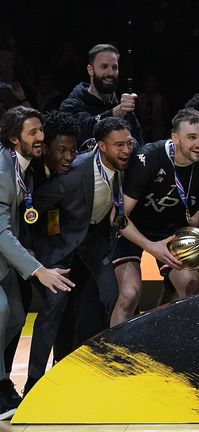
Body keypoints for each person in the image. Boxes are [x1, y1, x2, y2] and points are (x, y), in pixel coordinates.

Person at [24, 117, 133, 395]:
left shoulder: (128, 162)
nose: (126, 150)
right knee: (56, 303)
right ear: (101, 147)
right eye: (119, 145)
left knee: (110, 295)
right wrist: (32, 246)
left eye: (128, 144)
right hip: (60, 246)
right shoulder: (73, 175)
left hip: (95, 244)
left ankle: (97, 369)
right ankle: (34, 383)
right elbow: (31, 208)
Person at [110, 108, 199, 325]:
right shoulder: (147, 158)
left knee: (189, 285)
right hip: (133, 229)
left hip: (171, 231)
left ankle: (159, 338)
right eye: (192, 137)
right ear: (175, 138)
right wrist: (152, 246)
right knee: (129, 294)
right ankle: (116, 357)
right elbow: (118, 217)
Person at [0, 106, 74, 418]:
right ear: (15, 139)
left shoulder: (25, 165)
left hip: (5, 261)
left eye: (41, 130)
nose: (41, 137)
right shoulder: (2, 170)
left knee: (15, 315)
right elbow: (0, 229)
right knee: (2, 310)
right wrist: (38, 270)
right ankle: (2, 386)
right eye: (33, 133)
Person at [59, 44, 143, 148]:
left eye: (114, 67)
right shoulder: (71, 105)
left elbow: (139, 149)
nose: (110, 72)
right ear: (90, 70)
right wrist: (114, 114)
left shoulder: (124, 111)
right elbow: (81, 130)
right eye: (104, 67)